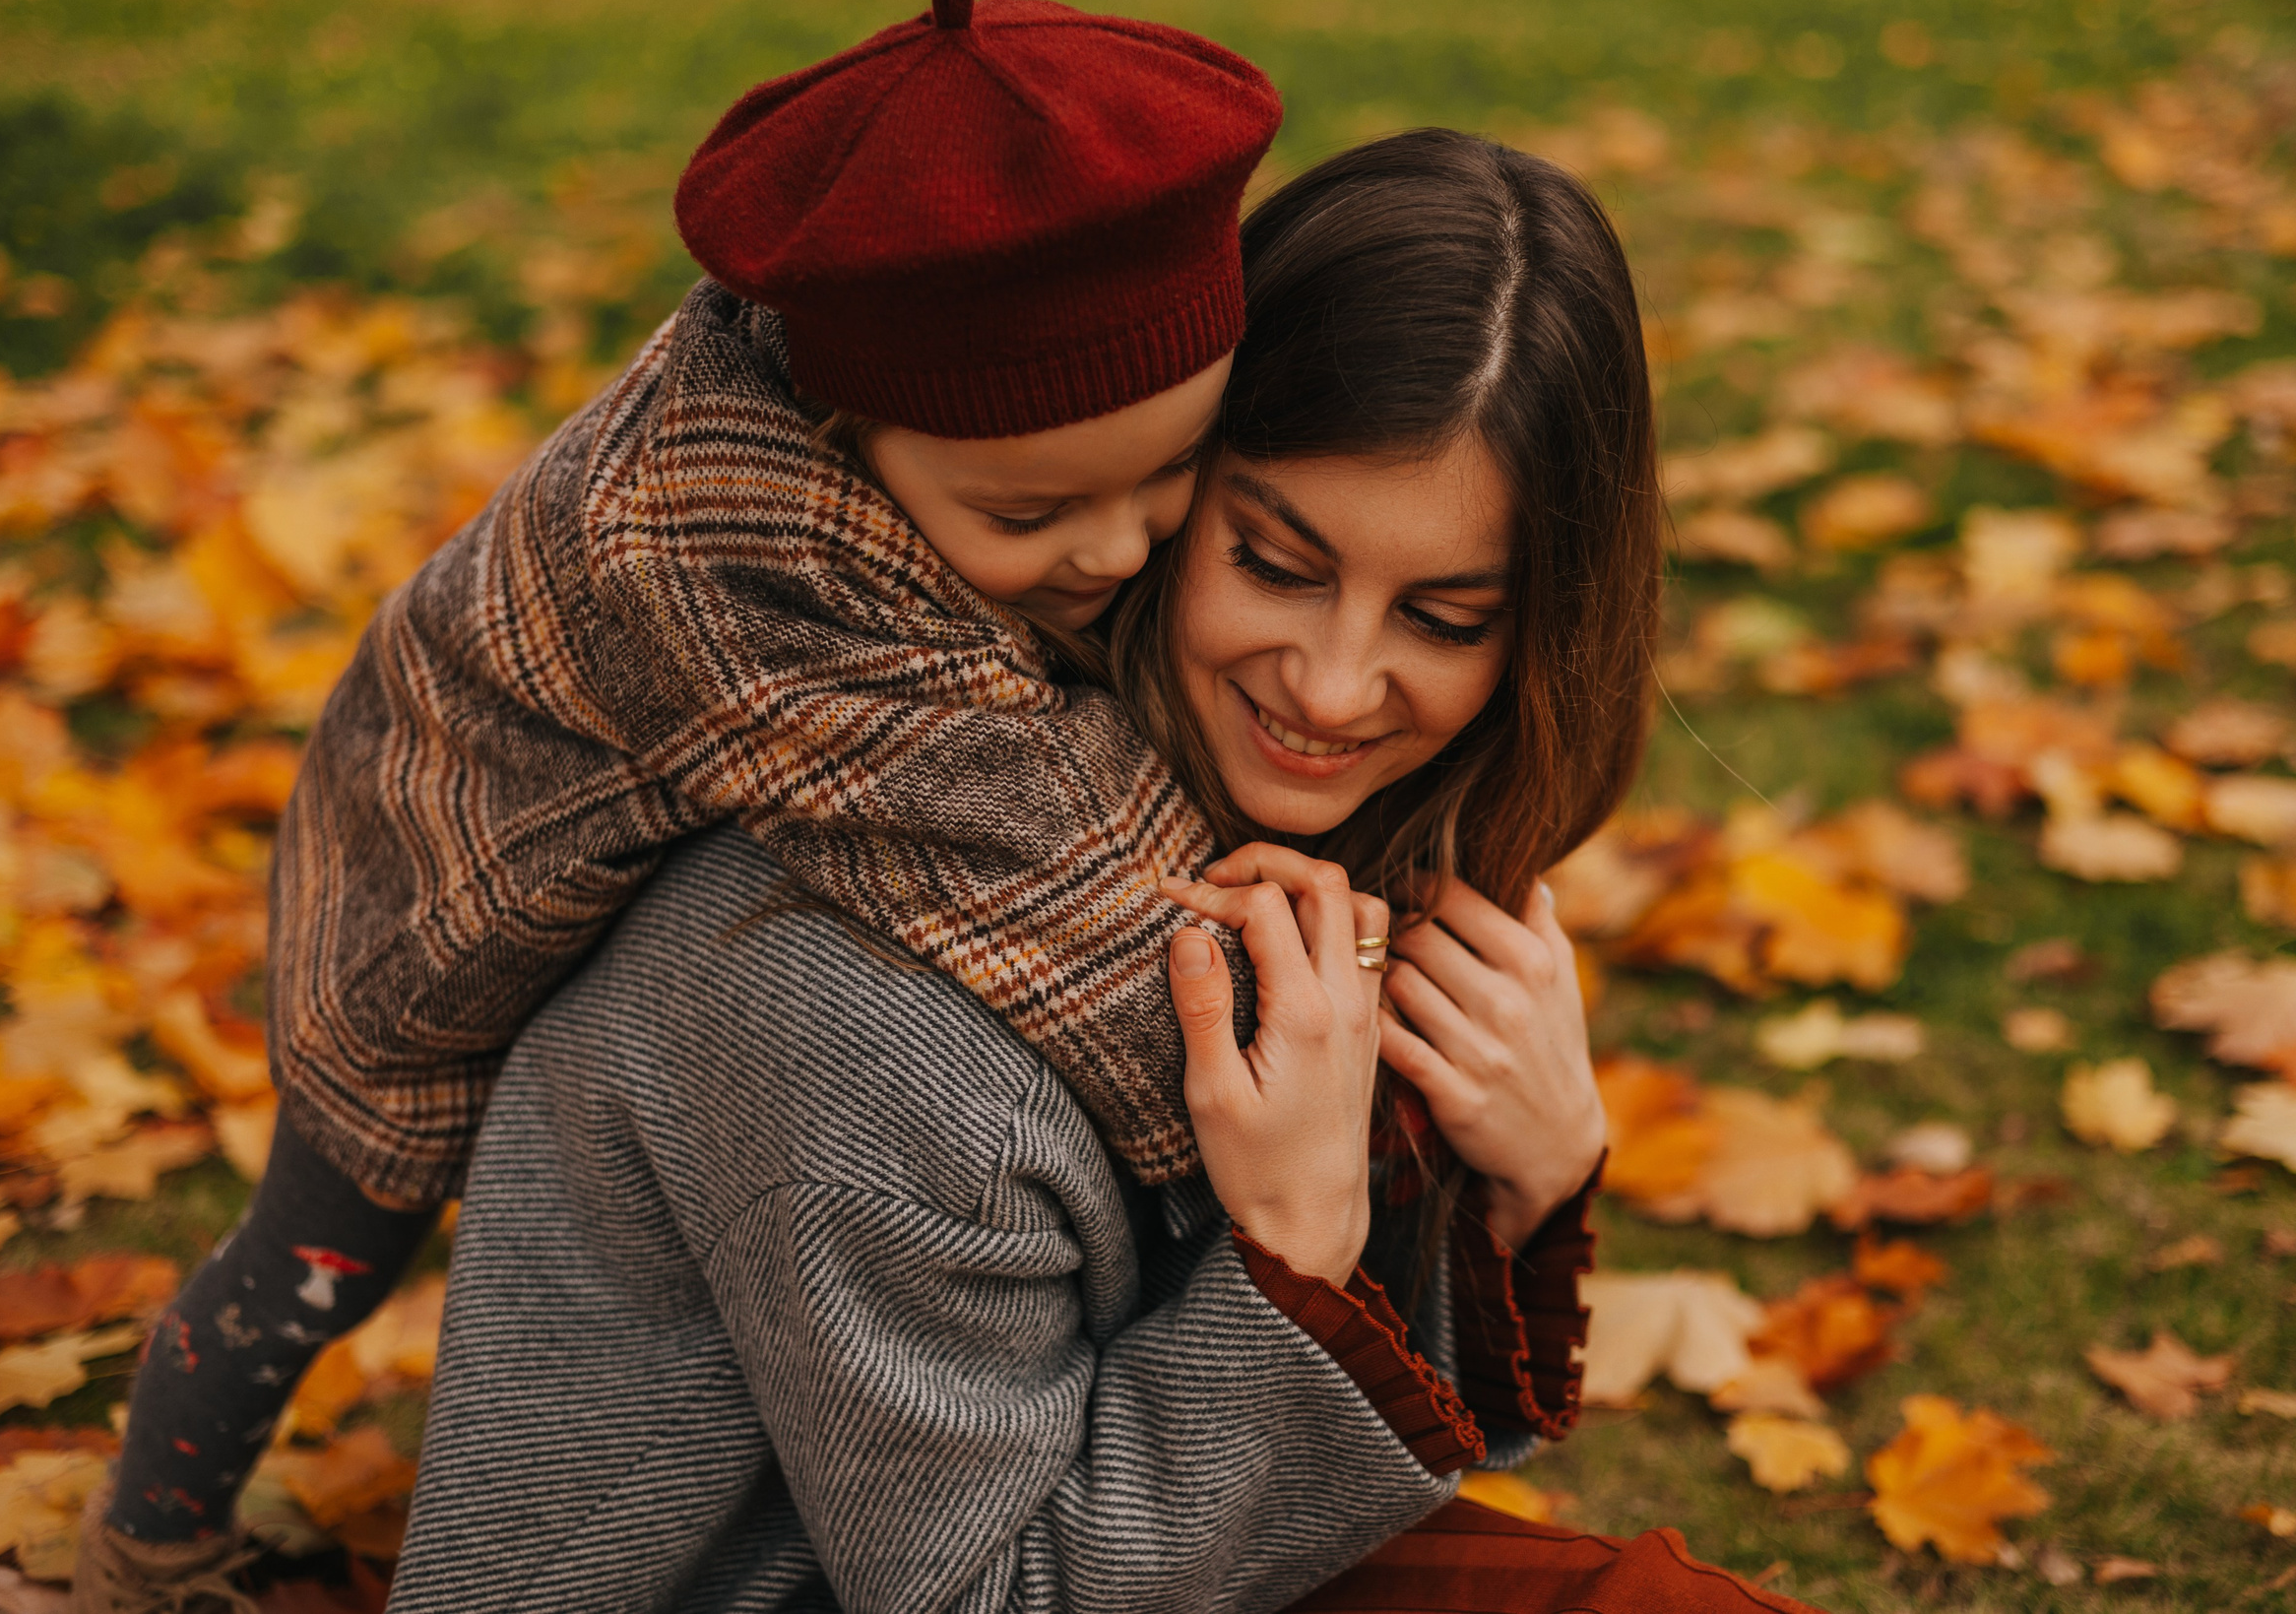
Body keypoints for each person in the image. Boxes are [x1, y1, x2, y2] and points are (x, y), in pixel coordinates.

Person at [386, 130, 1818, 1614]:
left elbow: (1337, 1481)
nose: (1334, 688)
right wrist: (1292, 1260)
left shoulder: (1302, 855)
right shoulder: (872, 993)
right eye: (1275, 562)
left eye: (1444, 618)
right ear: (1163, 481)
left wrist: (1529, 1176)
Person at [78, 0, 1290, 1612]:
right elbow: (1033, 864)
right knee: (315, 1250)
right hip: (427, 893)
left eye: (1174, 473)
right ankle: (147, 1535)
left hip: (597, 833)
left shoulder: (887, 426)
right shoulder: (730, 562)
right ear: (849, 433)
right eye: (1036, 514)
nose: (1119, 546)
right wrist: (1273, 1115)